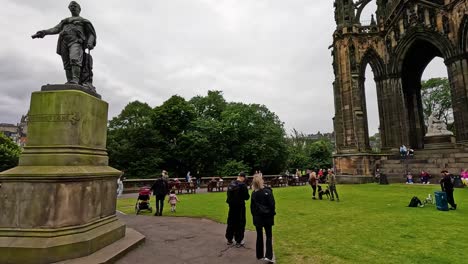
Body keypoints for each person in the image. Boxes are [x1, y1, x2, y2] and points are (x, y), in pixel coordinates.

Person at [32, 1, 96, 88]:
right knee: (66, 63)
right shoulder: (65, 21)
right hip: (64, 42)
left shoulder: (83, 21)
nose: (73, 7)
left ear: (79, 9)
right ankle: (70, 81)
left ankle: (75, 80)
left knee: (74, 59)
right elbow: (55, 29)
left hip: (76, 41)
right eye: (71, 6)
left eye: (75, 6)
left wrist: (90, 42)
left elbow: (91, 33)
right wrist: (44, 32)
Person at [250, 175, 276, 263]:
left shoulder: (254, 193)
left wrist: (255, 216)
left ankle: (259, 254)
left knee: (259, 235)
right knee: (268, 236)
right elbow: (272, 205)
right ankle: (268, 256)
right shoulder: (267, 192)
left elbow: (252, 208)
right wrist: (271, 214)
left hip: (258, 217)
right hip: (267, 217)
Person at [225, 172, 250, 247]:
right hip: (240, 206)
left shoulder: (231, 184)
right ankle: (238, 240)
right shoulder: (243, 185)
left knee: (231, 222)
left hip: (232, 206)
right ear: (243, 177)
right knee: (240, 223)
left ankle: (229, 239)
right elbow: (247, 197)